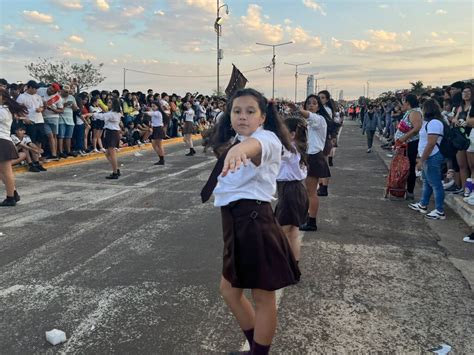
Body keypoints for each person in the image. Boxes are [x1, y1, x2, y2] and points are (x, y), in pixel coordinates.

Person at [203, 88, 300, 355]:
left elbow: (255, 148)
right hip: (235, 222)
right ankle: (256, 347)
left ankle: (259, 352)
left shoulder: (266, 138)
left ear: (262, 117)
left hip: (254, 221)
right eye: (236, 111)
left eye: (249, 112)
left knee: (262, 296)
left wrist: (239, 151)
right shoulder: (236, 139)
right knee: (229, 291)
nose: (242, 117)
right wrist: (231, 148)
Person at [293, 95, 331, 232]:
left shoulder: (319, 119)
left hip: (314, 157)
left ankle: (311, 222)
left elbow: (309, 115)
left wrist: (298, 109)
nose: (311, 105)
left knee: (311, 192)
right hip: (310, 157)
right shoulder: (308, 121)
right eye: (308, 103)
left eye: (314, 103)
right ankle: (308, 218)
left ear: (319, 107)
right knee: (308, 191)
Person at [274, 117, 309, 264]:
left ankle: (281, 265)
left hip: (290, 192)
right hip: (296, 190)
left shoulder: (289, 148)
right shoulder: (297, 147)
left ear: (292, 134)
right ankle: (293, 265)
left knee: (279, 232)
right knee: (293, 232)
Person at [408, 99, 446, 220]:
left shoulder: (435, 123)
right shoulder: (428, 122)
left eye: (422, 109)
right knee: (427, 181)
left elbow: (431, 143)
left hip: (432, 156)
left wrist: (421, 160)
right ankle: (423, 204)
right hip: (428, 156)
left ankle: (440, 211)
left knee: (435, 184)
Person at [0, 89, 28, 206]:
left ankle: (10, 197)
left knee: (6, 172)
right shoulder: (7, 109)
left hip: (2, 141)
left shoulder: (2, 110)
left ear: (3, 97)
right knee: (2, 171)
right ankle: (14, 193)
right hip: (4, 141)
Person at [394, 94, 423, 200]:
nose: (402, 104)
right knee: (404, 166)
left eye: (403, 102)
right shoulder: (410, 112)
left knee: (409, 167)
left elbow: (417, 128)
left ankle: (410, 191)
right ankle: (403, 188)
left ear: (408, 102)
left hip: (411, 144)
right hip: (406, 144)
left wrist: (403, 138)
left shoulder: (415, 112)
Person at [92, 98, 122, 179]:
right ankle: (116, 169)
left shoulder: (112, 114)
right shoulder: (115, 113)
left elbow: (103, 116)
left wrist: (93, 114)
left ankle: (115, 172)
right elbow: (105, 113)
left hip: (111, 133)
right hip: (113, 133)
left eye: (109, 102)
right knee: (108, 153)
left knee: (112, 154)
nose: (108, 104)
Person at [16, 80, 46, 154]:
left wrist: (40, 109)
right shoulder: (22, 97)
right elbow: (18, 109)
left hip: (39, 120)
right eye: (34, 89)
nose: (36, 90)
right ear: (29, 88)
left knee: (40, 139)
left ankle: (38, 154)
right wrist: (24, 118)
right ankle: (32, 157)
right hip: (29, 121)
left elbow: (42, 107)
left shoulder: (38, 96)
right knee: (31, 140)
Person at [38, 83, 63, 160]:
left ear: (55, 92)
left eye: (52, 90)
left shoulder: (58, 98)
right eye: (49, 88)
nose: (49, 90)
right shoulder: (40, 90)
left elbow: (61, 110)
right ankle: (53, 153)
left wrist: (52, 109)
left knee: (54, 136)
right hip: (43, 117)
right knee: (50, 135)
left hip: (54, 117)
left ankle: (54, 154)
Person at [144, 101, 167, 165]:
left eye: (154, 106)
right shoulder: (155, 112)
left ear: (158, 106)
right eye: (152, 106)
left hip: (158, 129)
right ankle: (160, 157)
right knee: (154, 144)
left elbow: (150, 113)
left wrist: (144, 112)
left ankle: (162, 159)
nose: (153, 107)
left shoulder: (158, 113)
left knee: (159, 145)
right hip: (155, 129)